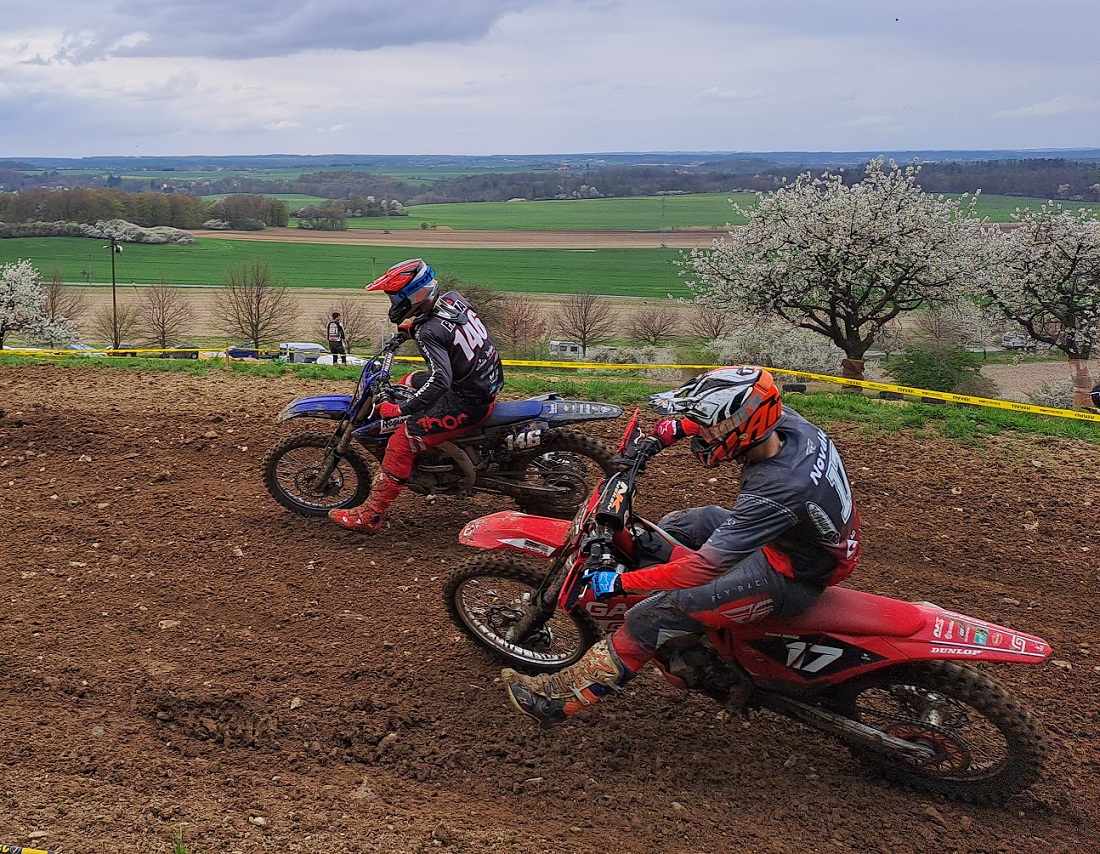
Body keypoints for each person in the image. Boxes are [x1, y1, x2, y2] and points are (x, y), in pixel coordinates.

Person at [502, 366, 862, 727]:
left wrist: (619, 582)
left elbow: (703, 568)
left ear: (745, 427)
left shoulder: (777, 489)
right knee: (681, 524)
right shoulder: (787, 426)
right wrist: (667, 433)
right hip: (795, 540)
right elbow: (721, 421)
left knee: (650, 615)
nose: (704, 434)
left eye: (711, 428)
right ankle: (695, 634)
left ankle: (556, 702)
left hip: (792, 574)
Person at [329, 259, 504, 533]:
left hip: (468, 400)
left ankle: (371, 515)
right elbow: (453, 330)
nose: (394, 302)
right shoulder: (454, 300)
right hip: (480, 382)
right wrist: (409, 330)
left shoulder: (428, 331)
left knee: (402, 440)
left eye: (396, 296)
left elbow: (440, 380)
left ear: (415, 294)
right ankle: (433, 453)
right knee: (408, 381)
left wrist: (401, 410)